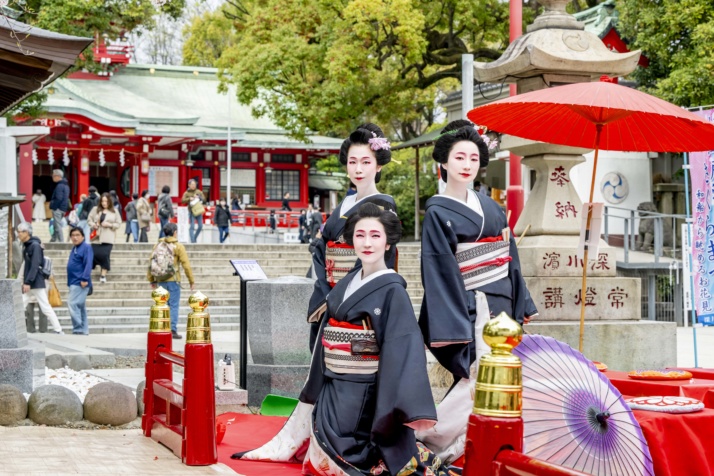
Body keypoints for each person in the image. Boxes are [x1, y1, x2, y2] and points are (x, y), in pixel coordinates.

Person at [234, 204, 458, 475]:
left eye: (375, 236)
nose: (367, 242)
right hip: (333, 385)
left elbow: (403, 350)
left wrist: (401, 406)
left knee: (344, 458)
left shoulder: (392, 290)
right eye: (360, 235)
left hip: (364, 389)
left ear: (388, 243)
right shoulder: (347, 283)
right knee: (322, 454)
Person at [416, 120, 537, 464]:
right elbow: (439, 268)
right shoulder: (438, 211)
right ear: (444, 162)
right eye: (459, 157)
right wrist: (456, 321)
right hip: (471, 302)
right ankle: (432, 438)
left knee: (499, 373)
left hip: (501, 299)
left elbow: (509, 255)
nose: (467, 164)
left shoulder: (492, 207)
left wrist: (521, 301)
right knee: (480, 374)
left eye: (472, 157)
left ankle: (461, 445)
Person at [306, 123, 397, 352]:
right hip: (328, 291)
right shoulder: (345, 203)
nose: (358, 169)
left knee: (352, 354)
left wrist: (341, 295)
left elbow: (375, 256)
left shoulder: (384, 204)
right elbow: (321, 248)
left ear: (378, 166)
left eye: (366, 162)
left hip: (359, 294)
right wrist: (326, 292)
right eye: (352, 162)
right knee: (324, 354)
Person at [147, 223, 195, 339]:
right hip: (173, 280)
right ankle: (172, 330)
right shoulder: (178, 246)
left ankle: (162, 328)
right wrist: (191, 280)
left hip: (160, 279)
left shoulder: (157, 245)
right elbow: (186, 265)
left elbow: (151, 262)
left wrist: (151, 280)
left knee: (162, 305)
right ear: (174, 232)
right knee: (173, 305)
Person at [16, 222, 64, 334]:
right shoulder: (28, 245)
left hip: (35, 282)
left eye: (20, 232)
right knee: (20, 305)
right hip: (32, 282)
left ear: (26, 233)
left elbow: (34, 265)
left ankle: (58, 330)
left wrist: (27, 282)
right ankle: (58, 330)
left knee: (45, 307)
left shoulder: (35, 246)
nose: (18, 234)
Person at [88, 193, 122, 284]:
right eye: (102, 201)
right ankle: (88, 272)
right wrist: (93, 225)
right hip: (96, 237)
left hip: (108, 237)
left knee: (104, 256)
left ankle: (103, 275)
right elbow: (89, 219)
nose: (104, 203)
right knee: (94, 255)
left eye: (106, 201)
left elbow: (119, 223)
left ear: (110, 201)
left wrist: (110, 225)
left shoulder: (114, 211)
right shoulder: (95, 209)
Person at [67, 227, 93, 335]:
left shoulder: (86, 247)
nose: (75, 237)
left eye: (77, 235)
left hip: (80, 281)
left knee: (72, 303)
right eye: (73, 235)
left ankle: (78, 329)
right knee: (80, 306)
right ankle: (84, 329)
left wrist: (84, 278)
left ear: (83, 236)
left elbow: (88, 263)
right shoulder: (75, 248)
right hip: (73, 281)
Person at [181, 179, 205, 243]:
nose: (193, 186)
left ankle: (194, 237)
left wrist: (199, 197)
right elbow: (182, 200)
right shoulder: (186, 193)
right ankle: (193, 241)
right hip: (191, 211)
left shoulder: (199, 191)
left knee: (200, 226)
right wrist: (190, 198)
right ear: (189, 185)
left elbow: (204, 199)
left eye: (194, 184)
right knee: (192, 226)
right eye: (192, 184)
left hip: (199, 210)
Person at [49, 169, 70, 242]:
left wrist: (54, 207)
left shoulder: (59, 186)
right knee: (55, 225)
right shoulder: (66, 185)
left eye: (53, 176)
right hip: (63, 208)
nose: (52, 177)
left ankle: (62, 242)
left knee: (57, 226)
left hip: (58, 208)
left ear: (58, 176)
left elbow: (58, 198)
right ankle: (53, 239)